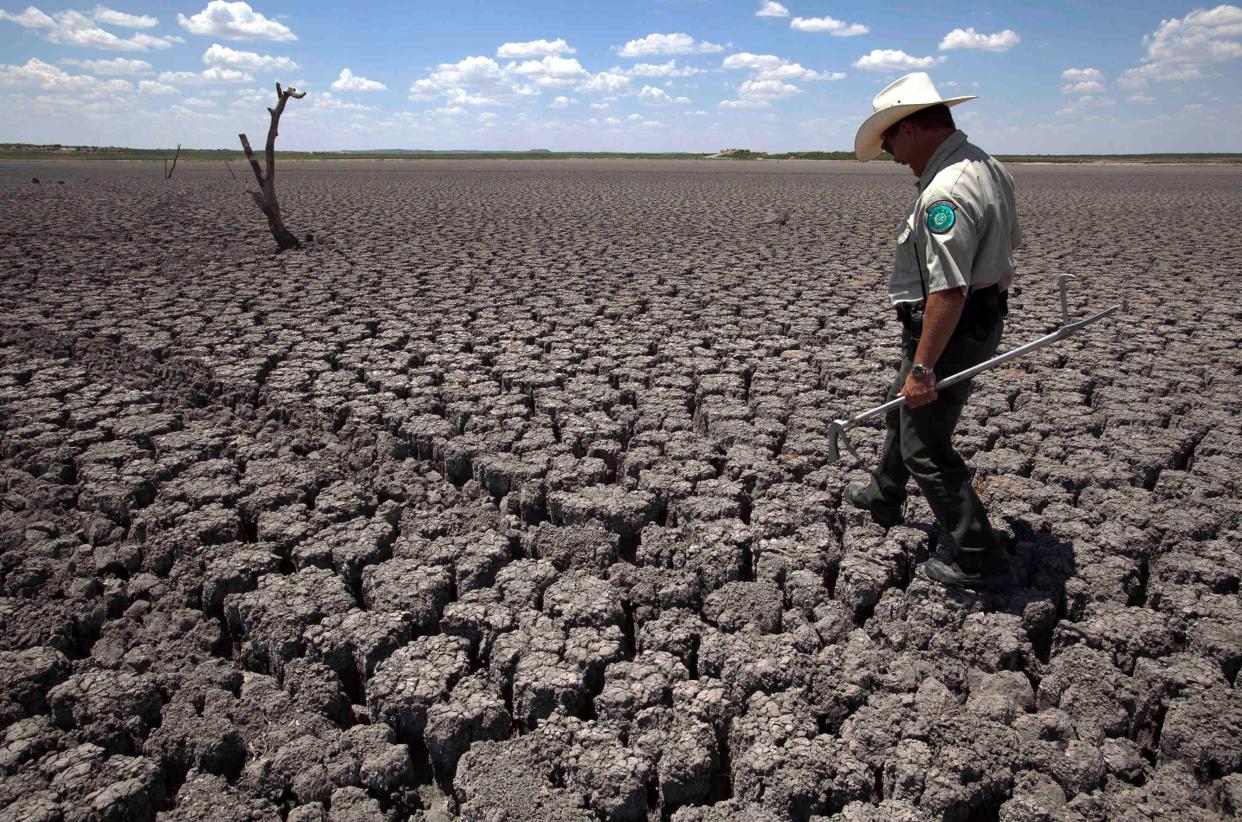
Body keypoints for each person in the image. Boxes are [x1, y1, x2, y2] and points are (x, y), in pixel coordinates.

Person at [845, 72, 1020, 589]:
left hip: (950, 329)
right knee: (902, 410)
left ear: (916, 127)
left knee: (925, 443)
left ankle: (978, 556)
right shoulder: (986, 165)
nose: (893, 155)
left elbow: (949, 290)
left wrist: (923, 366)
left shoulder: (946, 191)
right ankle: (883, 496)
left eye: (892, 140)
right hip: (967, 321)